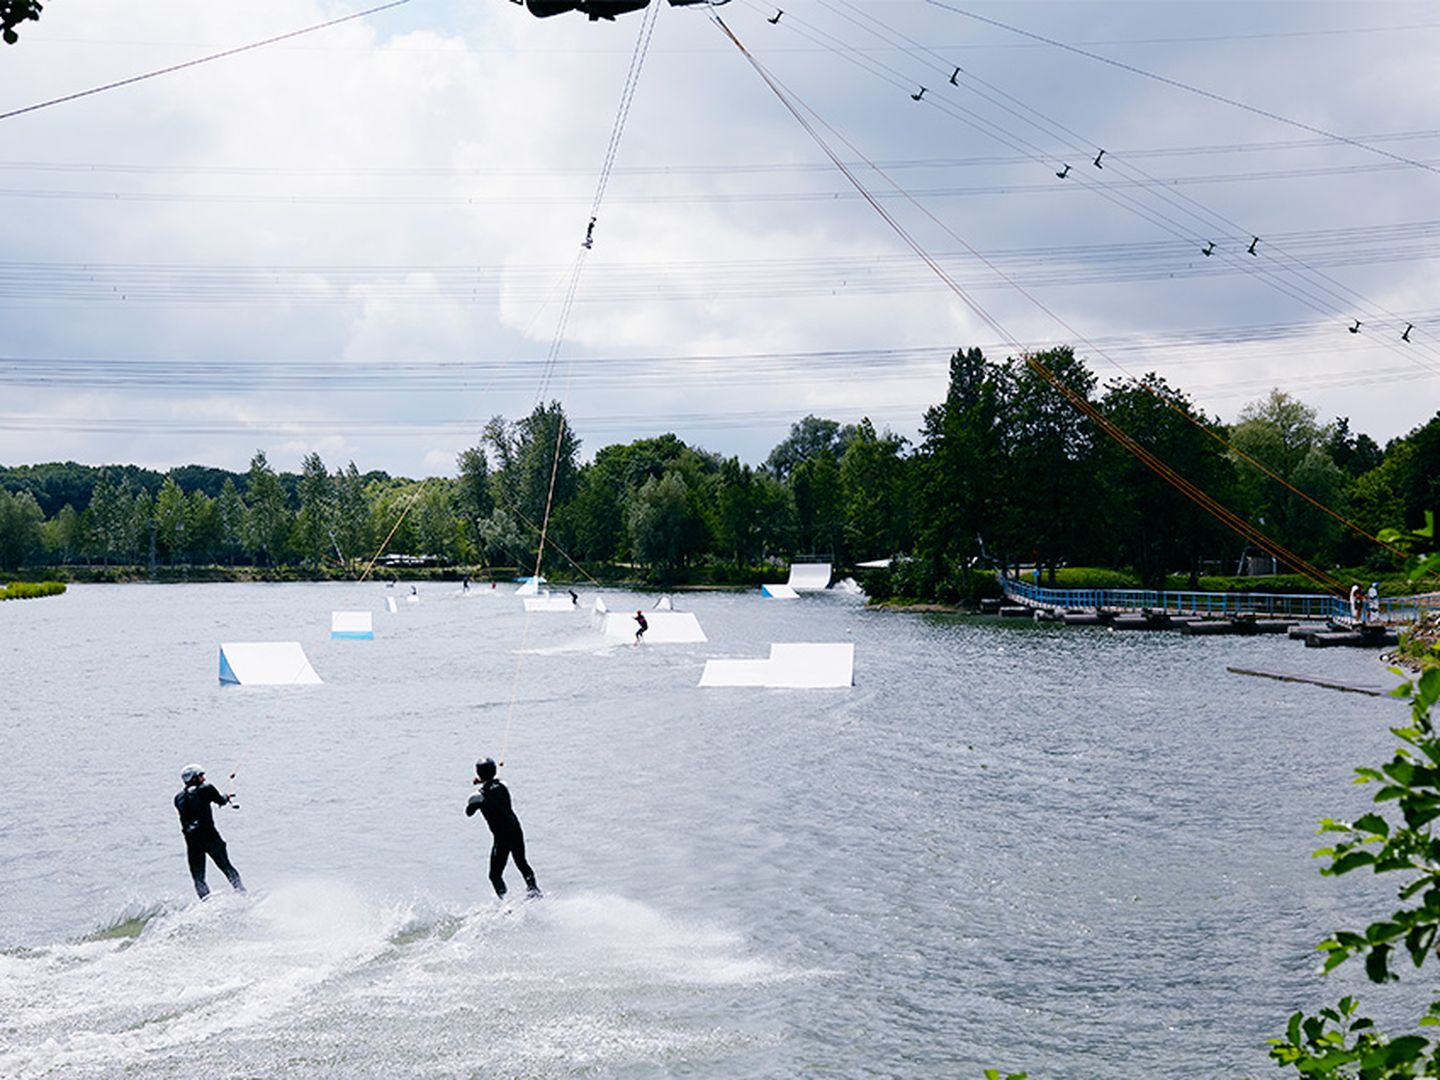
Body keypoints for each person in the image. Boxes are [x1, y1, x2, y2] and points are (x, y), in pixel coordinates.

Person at [466, 758, 540, 899]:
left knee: (494, 875)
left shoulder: (477, 797)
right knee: (522, 862)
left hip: (502, 837)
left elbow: (469, 813)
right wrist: (484, 781)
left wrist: (481, 784)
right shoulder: (504, 785)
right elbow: (495, 782)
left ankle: (505, 902)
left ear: (478, 773)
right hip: (516, 830)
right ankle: (534, 890)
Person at [174, 765, 244, 900]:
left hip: (192, 843)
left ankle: (206, 903)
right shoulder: (207, 788)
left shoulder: (178, 798)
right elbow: (221, 800)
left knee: (198, 878)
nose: (204, 778)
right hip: (211, 839)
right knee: (227, 867)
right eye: (201, 775)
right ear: (194, 778)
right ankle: (241, 893)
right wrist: (226, 797)